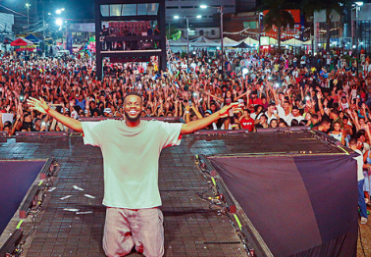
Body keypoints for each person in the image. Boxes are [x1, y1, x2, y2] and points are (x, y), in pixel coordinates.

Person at [27, 92, 240, 257]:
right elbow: (77, 126)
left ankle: (149, 228)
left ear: (142, 108)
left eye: (136, 103)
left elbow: (186, 128)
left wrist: (218, 115)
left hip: (147, 203)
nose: (132, 106)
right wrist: (49, 111)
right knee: (112, 252)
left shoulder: (155, 129)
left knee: (153, 253)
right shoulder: (107, 128)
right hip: (116, 203)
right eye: (129, 103)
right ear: (123, 108)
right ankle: (133, 237)